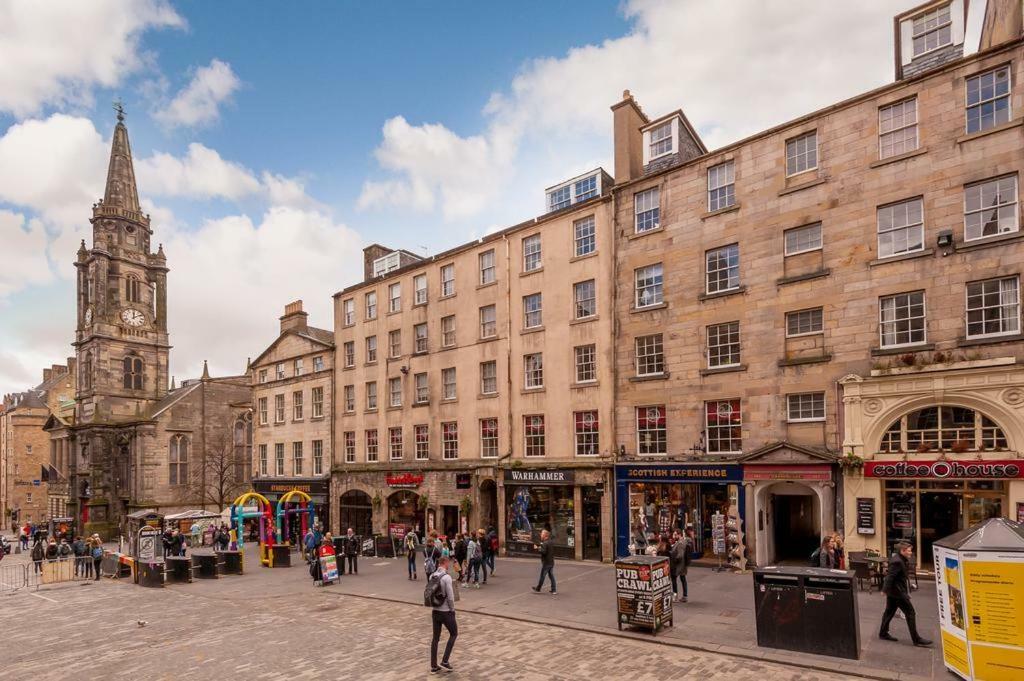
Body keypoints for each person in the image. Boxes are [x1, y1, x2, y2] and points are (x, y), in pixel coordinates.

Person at [879, 542, 931, 647]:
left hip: (894, 592)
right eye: (909, 550)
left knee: (889, 612)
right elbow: (890, 577)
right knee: (910, 613)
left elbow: (897, 577)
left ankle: (883, 633)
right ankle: (916, 639)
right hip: (897, 593)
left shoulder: (900, 559)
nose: (911, 552)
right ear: (902, 551)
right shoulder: (897, 561)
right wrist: (884, 590)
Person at [428, 555, 457, 673]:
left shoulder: (432, 575)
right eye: (448, 563)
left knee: (435, 638)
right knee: (454, 633)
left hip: (435, 611)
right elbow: (450, 597)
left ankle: (434, 665)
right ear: (444, 563)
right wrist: (452, 609)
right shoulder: (447, 578)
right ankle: (445, 660)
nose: (448, 565)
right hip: (445, 611)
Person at [531, 529, 556, 595]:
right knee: (551, 576)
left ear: (545, 535)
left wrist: (537, 548)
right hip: (551, 562)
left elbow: (543, 552)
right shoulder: (550, 542)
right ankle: (554, 590)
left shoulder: (545, 543)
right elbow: (546, 549)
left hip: (546, 563)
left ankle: (538, 588)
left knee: (542, 576)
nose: (541, 535)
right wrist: (541, 546)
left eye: (542, 534)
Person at [670, 530, 692, 603]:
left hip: (679, 565)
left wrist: (674, 560)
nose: (674, 536)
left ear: (679, 535)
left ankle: (675, 596)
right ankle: (685, 596)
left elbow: (680, 555)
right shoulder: (682, 541)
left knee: (674, 579)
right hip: (682, 565)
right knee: (683, 579)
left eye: (675, 535)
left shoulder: (680, 543)